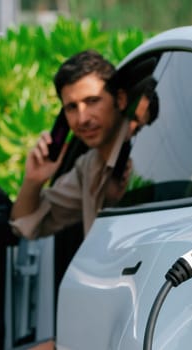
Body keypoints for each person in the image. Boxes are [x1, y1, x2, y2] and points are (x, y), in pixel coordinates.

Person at [10, 49, 130, 241]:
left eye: (92, 101)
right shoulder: (88, 167)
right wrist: (34, 180)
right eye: (72, 107)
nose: (82, 119)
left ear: (121, 100)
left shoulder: (143, 151)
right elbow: (26, 225)